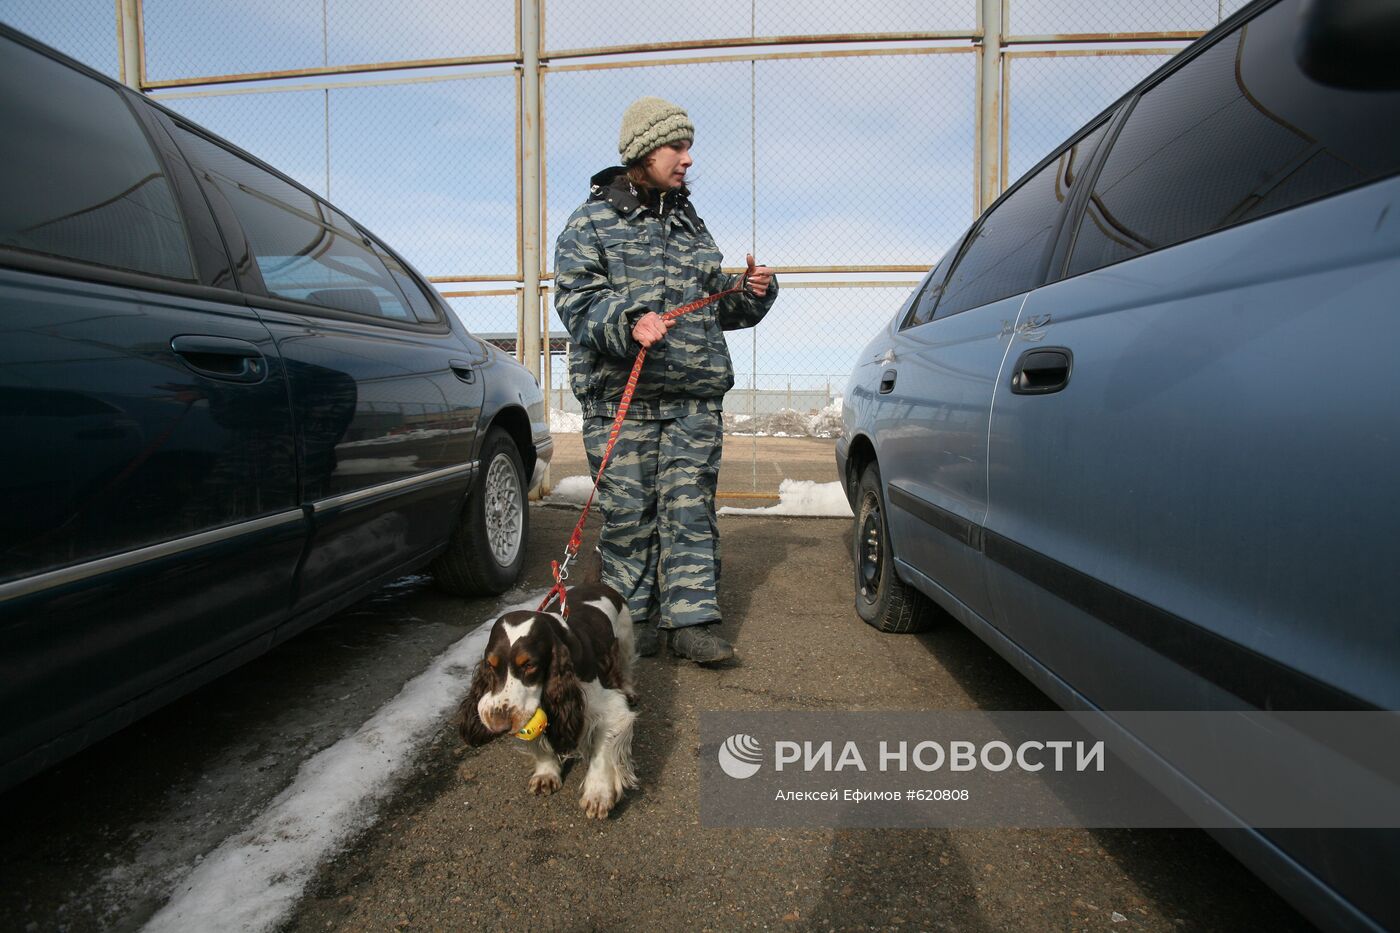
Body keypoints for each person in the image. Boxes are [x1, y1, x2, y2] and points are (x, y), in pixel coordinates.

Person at [554, 96, 777, 664]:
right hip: (619, 402)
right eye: (677, 147)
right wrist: (627, 322)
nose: (687, 159)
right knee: (628, 516)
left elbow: (715, 307)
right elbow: (577, 300)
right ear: (643, 151)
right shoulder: (590, 223)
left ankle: (692, 621)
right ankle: (633, 623)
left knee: (689, 511)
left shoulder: (689, 223)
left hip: (692, 398)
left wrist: (753, 293)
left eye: (689, 147)